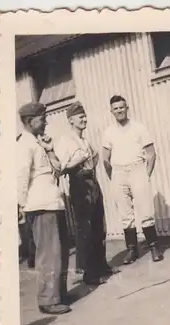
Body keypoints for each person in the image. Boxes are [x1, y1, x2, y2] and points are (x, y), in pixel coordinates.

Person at [17, 102, 71, 315]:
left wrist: (50, 151)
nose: (46, 121)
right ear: (30, 122)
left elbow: (57, 169)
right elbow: (20, 176)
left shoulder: (39, 143)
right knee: (48, 254)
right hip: (39, 205)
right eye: (42, 118)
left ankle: (60, 294)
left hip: (53, 203)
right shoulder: (24, 145)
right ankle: (48, 300)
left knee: (61, 251)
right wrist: (19, 205)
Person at [55, 101, 117, 285]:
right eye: (79, 116)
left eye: (84, 115)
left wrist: (92, 160)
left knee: (99, 226)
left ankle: (100, 265)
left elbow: (93, 158)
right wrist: (78, 160)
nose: (84, 119)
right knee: (86, 229)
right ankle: (89, 273)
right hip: (80, 188)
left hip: (93, 185)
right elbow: (60, 168)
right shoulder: (65, 141)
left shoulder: (85, 141)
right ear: (70, 120)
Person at [102, 95, 162, 264]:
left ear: (127, 108)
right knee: (125, 213)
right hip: (119, 172)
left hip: (137, 169)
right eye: (116, 108)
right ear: (111, 111)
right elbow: (105, 159)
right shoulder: (108, 132)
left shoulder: (139, 128)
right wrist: (113, 177)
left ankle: (153, 247)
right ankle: (132, 250)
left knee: (145, 211)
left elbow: (151, 154)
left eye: (122, 107)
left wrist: (146, 175)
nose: (119, 110)